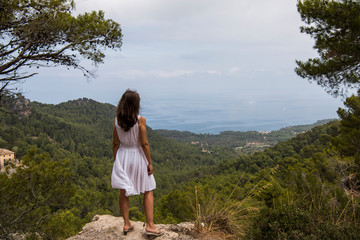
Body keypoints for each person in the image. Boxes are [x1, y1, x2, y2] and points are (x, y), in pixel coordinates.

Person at [111, 89, 164, 236]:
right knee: (148, 189)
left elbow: (115, 143)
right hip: (137, 156)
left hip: (122, 156)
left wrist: (117, 161)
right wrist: (150, 163)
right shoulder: (140, 120)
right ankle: (150, 225)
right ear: (136, 105)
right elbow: (144, 143)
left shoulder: (117, 120)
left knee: (123, 192)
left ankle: (127, 224)